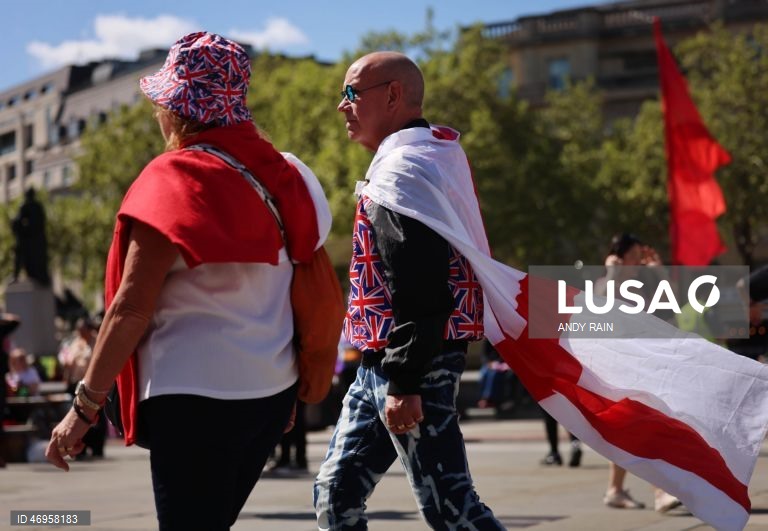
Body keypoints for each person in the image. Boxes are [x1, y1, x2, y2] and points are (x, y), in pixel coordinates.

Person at [44, 31, 330, 531]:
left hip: (193, 398)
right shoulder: (290, 175)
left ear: (178, 110)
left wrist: (82, 408)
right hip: (269, 397)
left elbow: (129, 309)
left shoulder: (171, 181)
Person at [314, 51, 504, 530]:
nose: (342, 106)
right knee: (335, 495)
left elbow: (420, 284)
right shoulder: (428, 157)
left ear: (393, 95)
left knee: (452, 510)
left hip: (414, 364)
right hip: (383, 361)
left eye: (352, 93)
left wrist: (405, 381)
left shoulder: (403, 171)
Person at [598, 233, 681, 513]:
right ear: (618, 258)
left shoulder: (638, 288)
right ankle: (660, 492)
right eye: (632, 258)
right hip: (617, 370)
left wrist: (659, 272)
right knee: (643, 426)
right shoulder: (605, 285)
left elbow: (671, 306)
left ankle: (615, 489)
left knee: (632, 429)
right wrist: (613, 273)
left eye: (638, 258)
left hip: (640, 366)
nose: (637, 264)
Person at [12, 187, 50, 286]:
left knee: (19, 255)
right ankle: (17, 276)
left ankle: (16, 276)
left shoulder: (25, 206)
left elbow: (18, 222)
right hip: (37, 240)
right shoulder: (38, 207)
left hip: (29, 240)